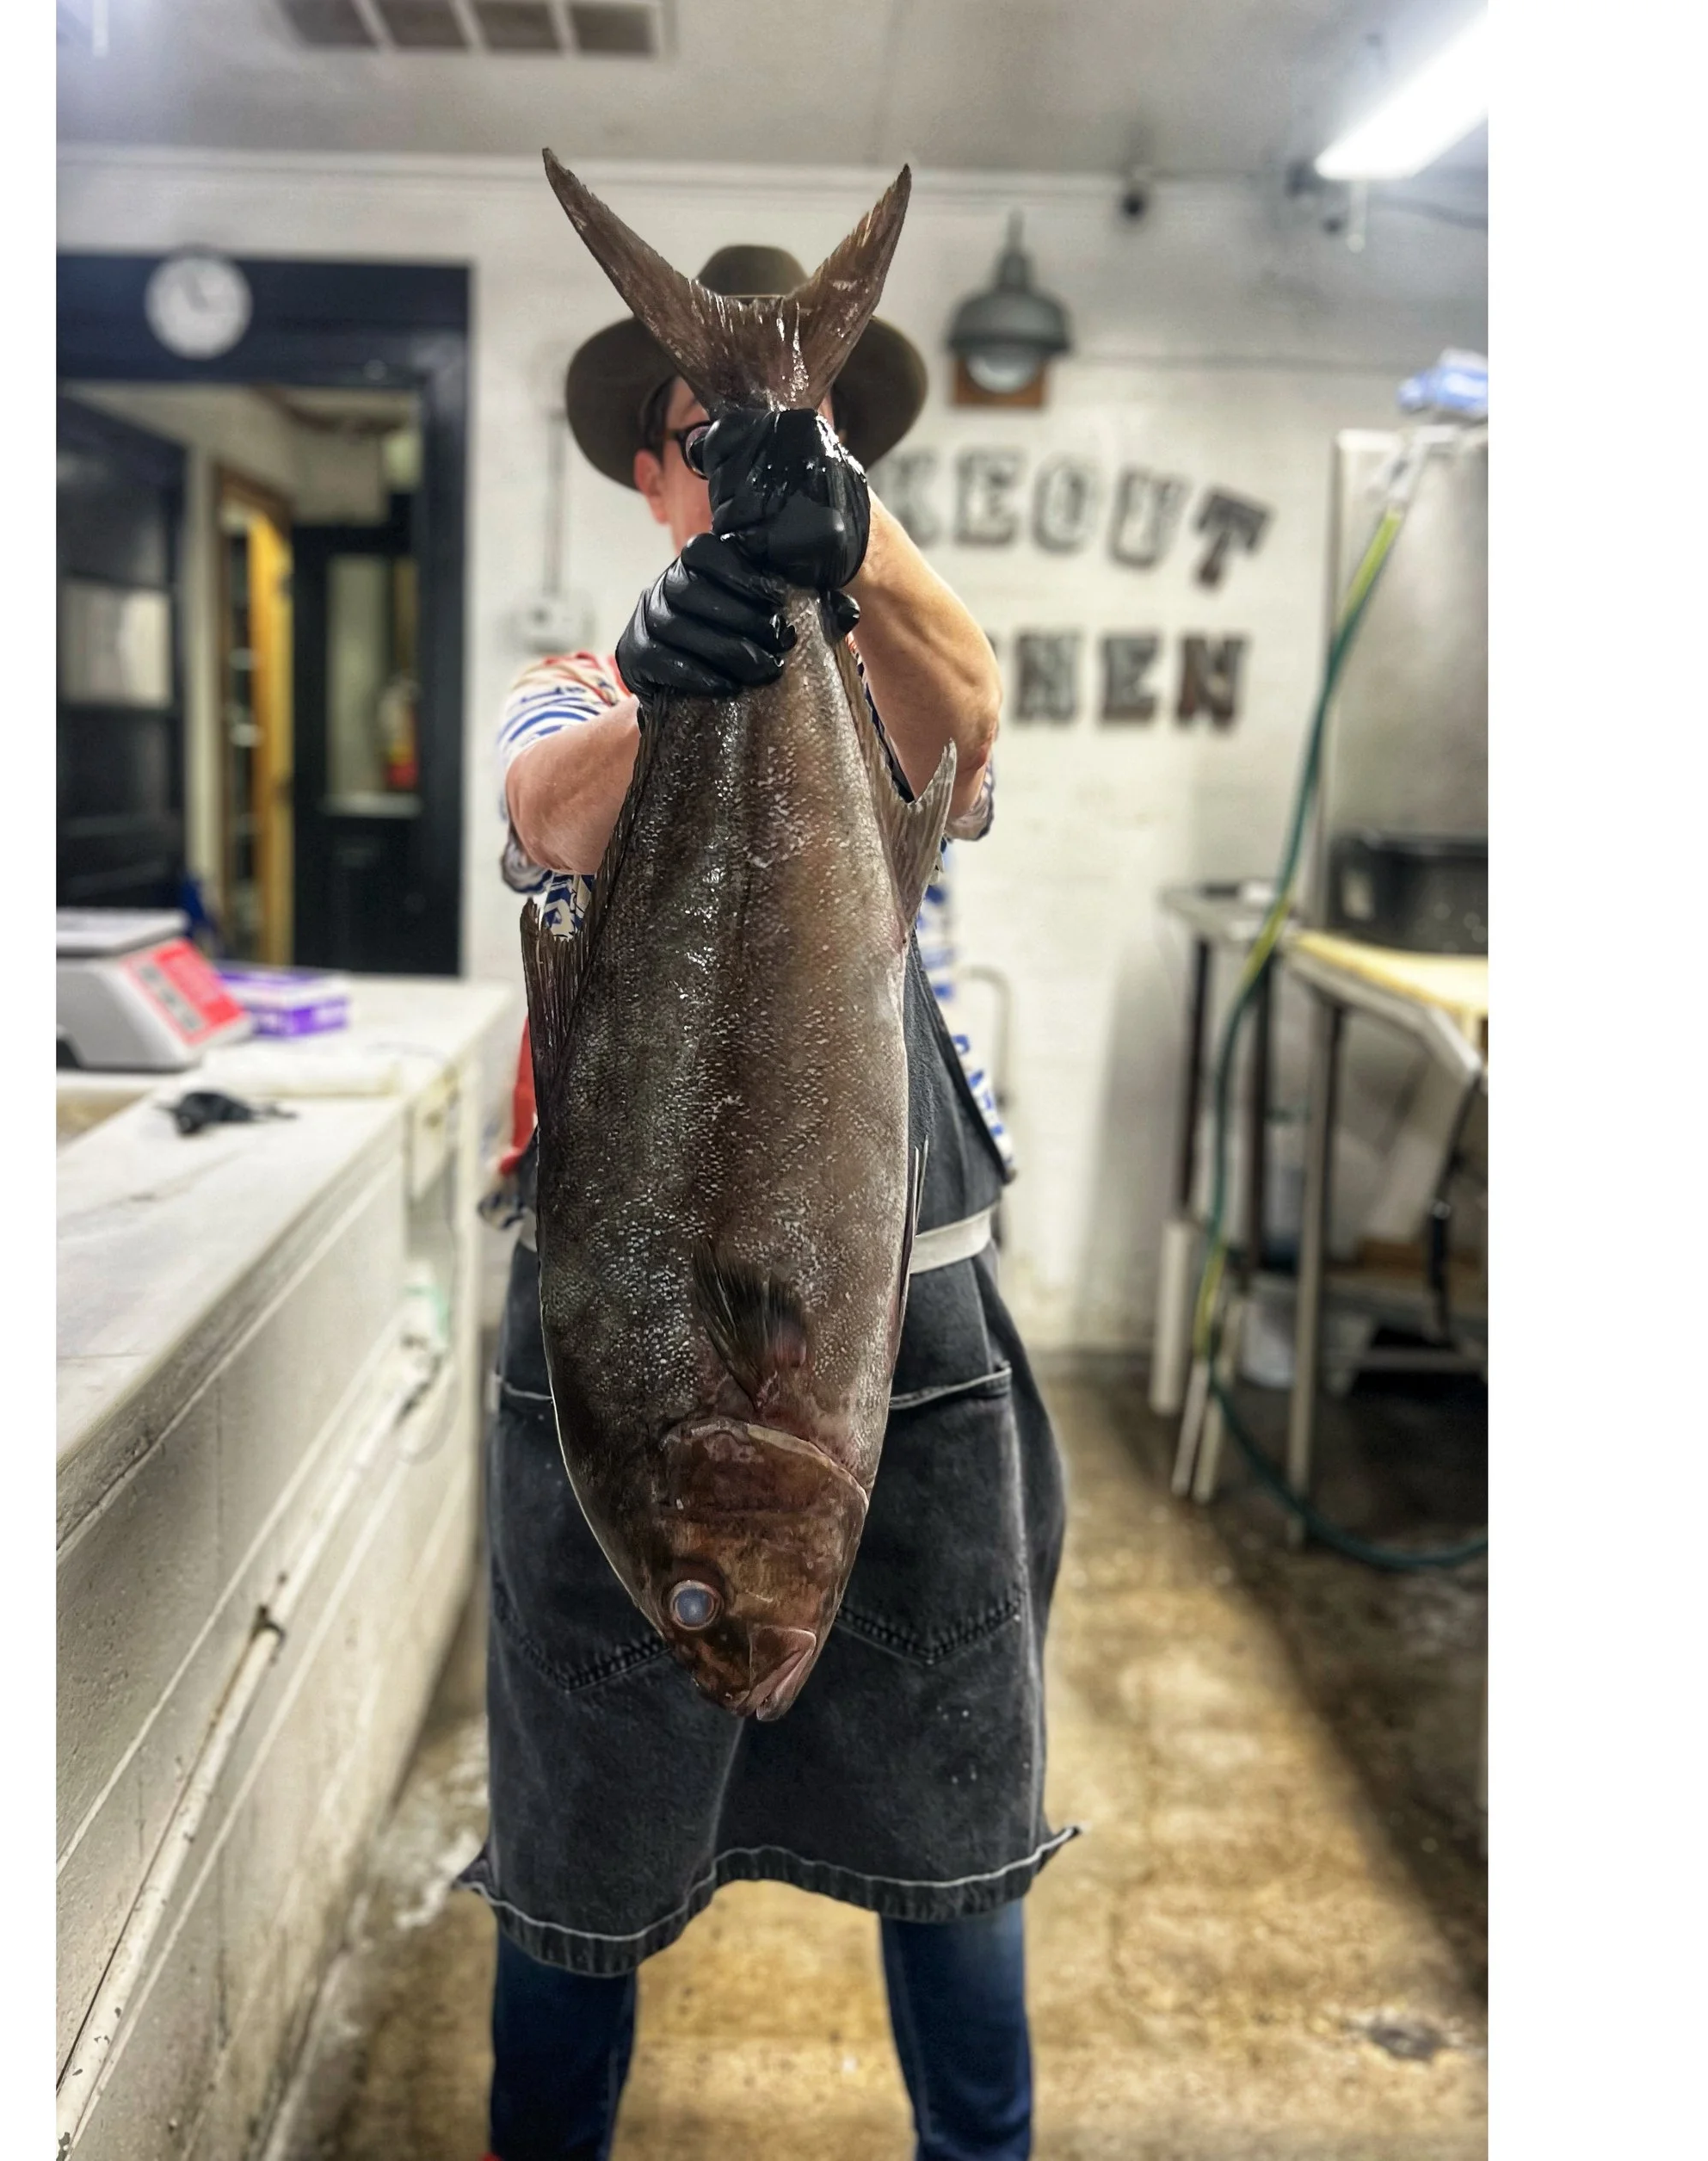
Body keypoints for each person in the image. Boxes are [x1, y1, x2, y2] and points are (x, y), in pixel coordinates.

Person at [461, 244, 1070, 2161]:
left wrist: (846, 538)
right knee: (577, 1844)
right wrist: (670, 660)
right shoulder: (566, 684)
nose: (722, 459)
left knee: (958, 1838)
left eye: (763, 435)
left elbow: (968, 718)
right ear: (641, 474)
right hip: (633, 1341)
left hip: (906, 1341)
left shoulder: (888, 673)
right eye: (693, 434)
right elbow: (549, 811)